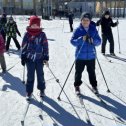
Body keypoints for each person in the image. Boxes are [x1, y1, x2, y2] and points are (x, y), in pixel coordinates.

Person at [70, 12, 101, 95]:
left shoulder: (93, 30)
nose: (85, 22)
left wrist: (93, 41)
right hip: (80, 56)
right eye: (83, 20)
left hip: (91, 56)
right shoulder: (78, 30)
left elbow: (99, 42)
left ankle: (94, 86)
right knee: (78, 72)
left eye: (87, 20)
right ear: (81, 20)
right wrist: (81, 39)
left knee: (92, 72)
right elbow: (72, 41)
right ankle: (77, 86)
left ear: (90, 21)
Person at [21, 16, 49, 100]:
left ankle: (42, 89)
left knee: (40, 75)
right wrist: (23, 56)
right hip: (29, 59)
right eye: (33, 25)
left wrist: (46, 57)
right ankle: (29, 91)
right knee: (30, 76)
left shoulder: (42, 34)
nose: (35, 26)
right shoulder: (27, 34)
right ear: (30, 25)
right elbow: (24, 46)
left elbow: (45, 46)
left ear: (39, 25)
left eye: (37, 25)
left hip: (40, 59)